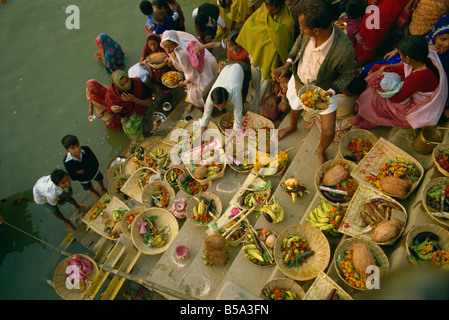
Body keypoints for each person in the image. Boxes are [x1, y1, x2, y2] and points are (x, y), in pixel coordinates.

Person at [272, 0, 355, 166]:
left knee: (329, 131)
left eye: (303, 28)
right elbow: (298, 43)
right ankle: (292, 127)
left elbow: (347, 75)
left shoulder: (344, 49)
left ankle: (320, 150)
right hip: (299, 82)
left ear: (316, 30)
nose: (300, 30)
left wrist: (330, 92)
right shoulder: (307, 31)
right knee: (295, 105)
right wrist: (288, 64)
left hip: (324, 91)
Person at [350, 35, 448, 130]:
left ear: (408, 58)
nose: (399, 56)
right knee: (378, 75)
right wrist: (387, 68)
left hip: (416, 106)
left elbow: (397, 98)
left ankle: (366, 115)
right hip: (412, 87)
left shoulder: (418, 77)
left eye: (400, 54)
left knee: (375, 98)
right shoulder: (423, 59)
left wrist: (379, 86)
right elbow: (405, 68)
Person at [236, 0, 295, 113]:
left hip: (270, 63)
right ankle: (255, 104)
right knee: (254, 85)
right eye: (267, 7)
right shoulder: (261, 11)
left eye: (273, 9)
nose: (268, 11)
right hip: (255, 58)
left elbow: (284, 46)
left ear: (282, 5)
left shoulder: (287, 22)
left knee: (264, 89)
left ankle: (258, 110)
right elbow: (250, 27)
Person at [161, 30, 218, 112]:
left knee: (197, 96)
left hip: (198, 70)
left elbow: (192, 73)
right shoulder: (178, 41)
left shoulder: (182, 54)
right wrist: (171, 59)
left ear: (176, 44)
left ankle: (209, 110)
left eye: (169, 47)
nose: (167, 50)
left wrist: (184, 83)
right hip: (199, 64)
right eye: (164, 47)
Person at [200, 61, 252, 141]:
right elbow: (205, 118)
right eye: (218, 107)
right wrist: (201, 140)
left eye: (222, 106)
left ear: (227, 99)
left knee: (242, 99)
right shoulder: (211, 96)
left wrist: (227, 142)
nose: (220, 109)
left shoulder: (236, 94)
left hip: (243, 68)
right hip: (227, 67)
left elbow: (237, 125)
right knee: (205, 93)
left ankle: (242, 110)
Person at [105, 70, 156, 147]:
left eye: (127, 81)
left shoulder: (137, 84)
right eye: (122, 84)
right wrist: (113, 109)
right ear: (117, 85)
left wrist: (135, 99)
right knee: (132, 131)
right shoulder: (113, 93)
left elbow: (148, 102)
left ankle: (147, 136)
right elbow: (109, 106)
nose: (127, 85)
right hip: (128, 117)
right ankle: (138, 140)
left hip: (143, 111)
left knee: (147, 128)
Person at [354, 0, 410, 65]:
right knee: (372, 39)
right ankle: (361, 59)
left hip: (380, 14)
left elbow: (374, 1)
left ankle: (360, 59)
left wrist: (371, 3)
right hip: (388, 16)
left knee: (369, 37)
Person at [62, 135, 107, 202]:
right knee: (89, 187)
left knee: (99, 179)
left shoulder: (86, 149)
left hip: (94, 172)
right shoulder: (67, 162)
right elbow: (73, 177)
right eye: (73, 148)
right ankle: (95, 192)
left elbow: (96, 163)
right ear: (67, 150)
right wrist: (89, 167)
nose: (77, 149)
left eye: (77, 145)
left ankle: (102, 188)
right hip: (83, 179)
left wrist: (82, 171)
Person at [139, 33, 175, 99]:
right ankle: (165, 92)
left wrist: (169, 59)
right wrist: (145, 62)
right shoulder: (146, 47)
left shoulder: (163, 46)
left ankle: (170, 90)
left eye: (154, 44)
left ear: (158, 42)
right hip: (155, 71)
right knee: (160, 83)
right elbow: (140, 63)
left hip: (166, 67)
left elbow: (172, 56)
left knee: (171, 80)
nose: (152, 47)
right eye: (150, 45)